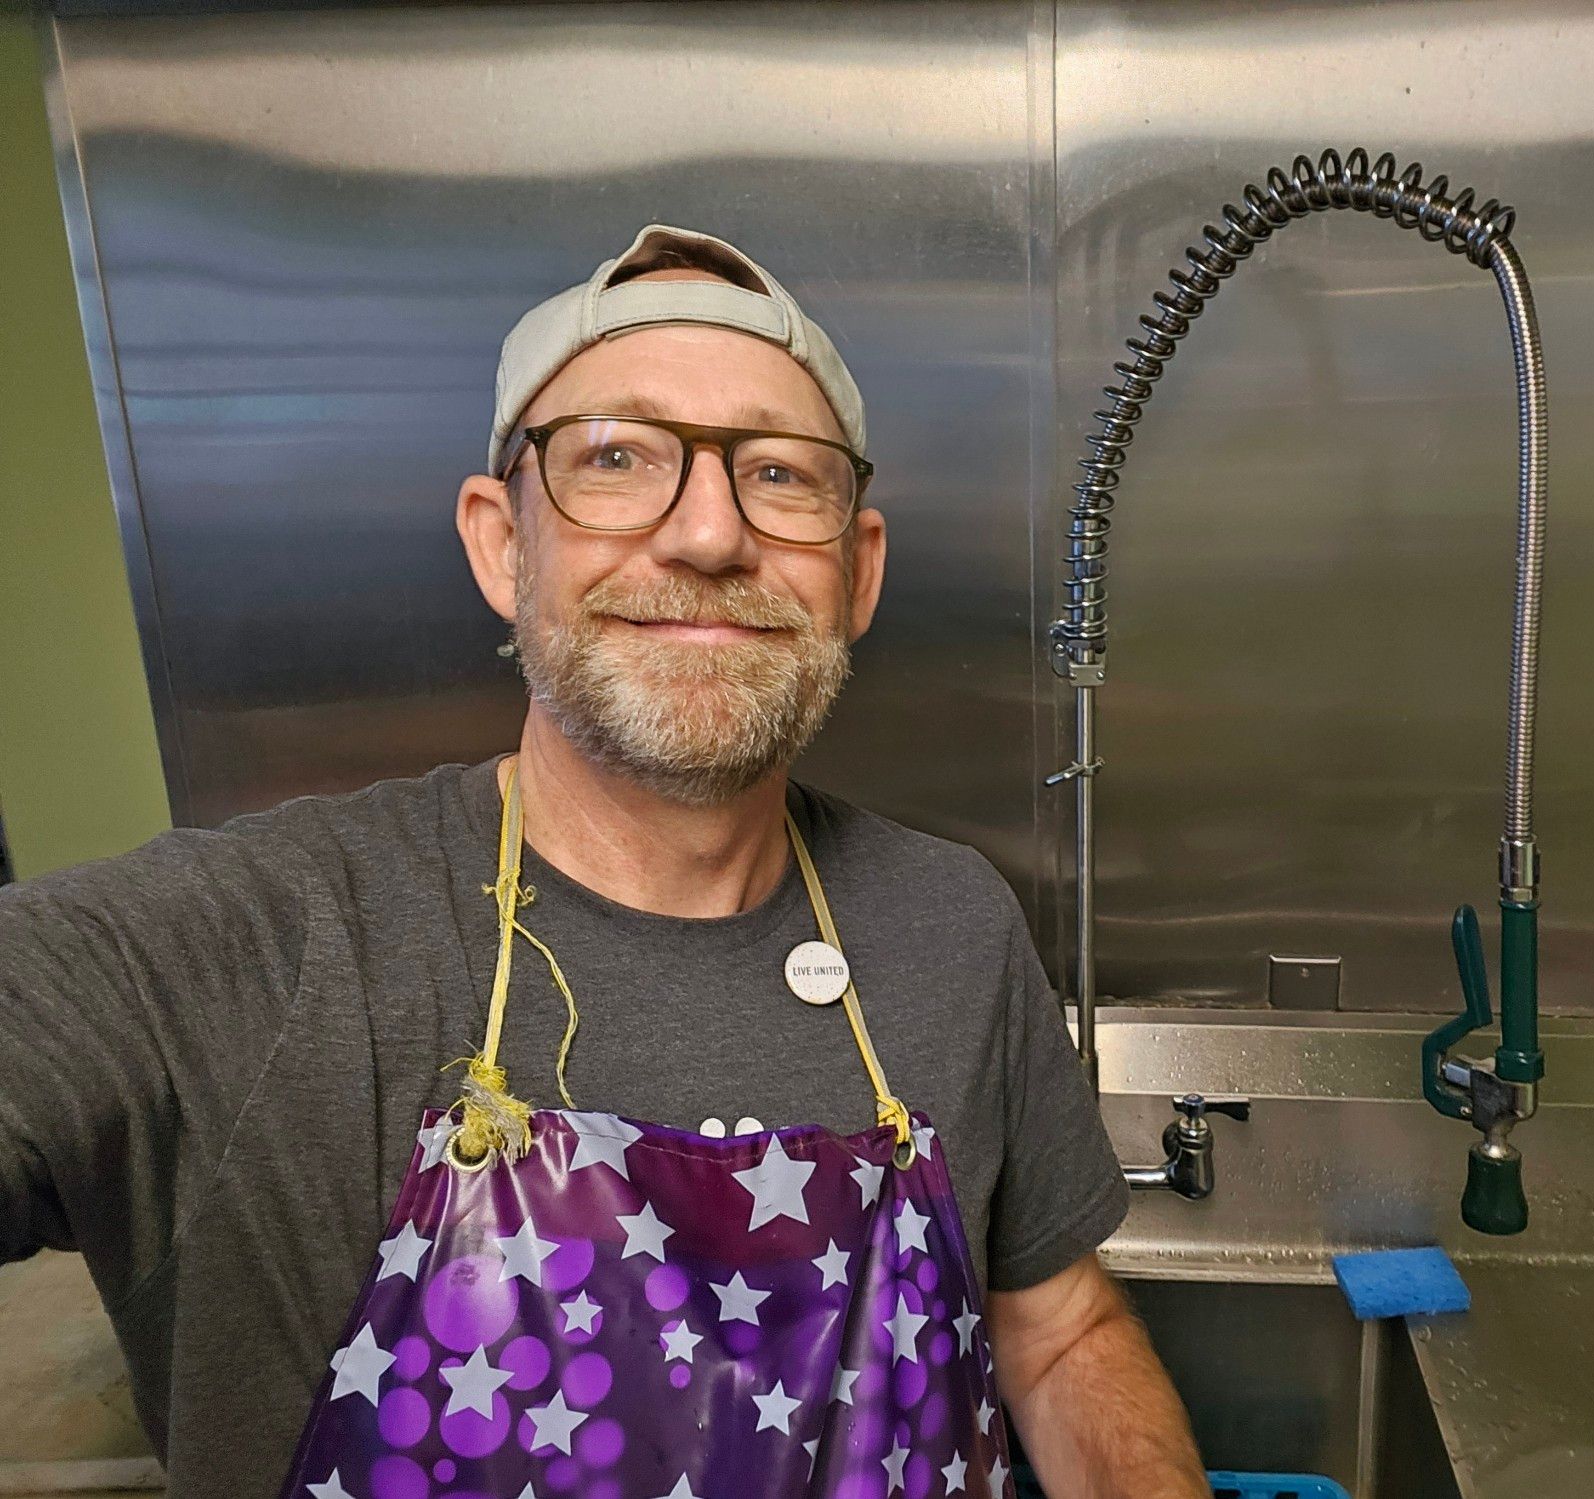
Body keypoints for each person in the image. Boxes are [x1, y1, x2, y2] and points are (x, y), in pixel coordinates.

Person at [0, 224, 1208, 1498]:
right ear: (502, 542)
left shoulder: (950, 923)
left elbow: (1058, 1328)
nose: (705, 535)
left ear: (855, 573)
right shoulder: (249, 948)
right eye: (616, 457)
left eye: (781, 475)